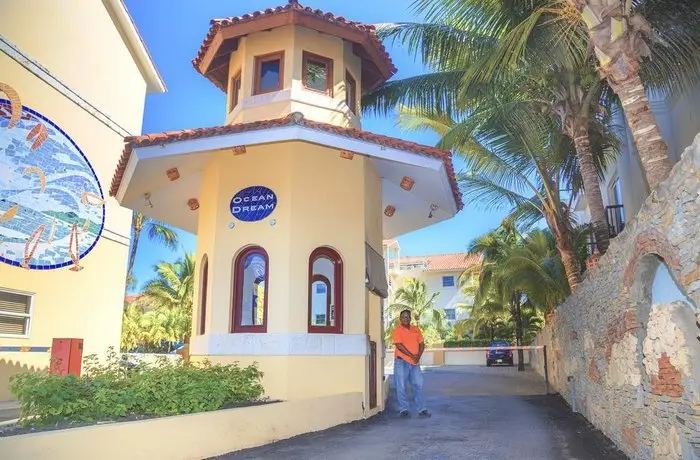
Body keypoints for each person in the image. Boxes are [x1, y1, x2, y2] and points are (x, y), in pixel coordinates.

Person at [392, 309, 431, 418]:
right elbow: (399, 345)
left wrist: (417, 356)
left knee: (419, 384)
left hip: (415, 363)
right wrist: (412, 356)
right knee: (401, 386)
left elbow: (421, 344)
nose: (405, 318)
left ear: (410, 318)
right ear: (400, 319)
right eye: (403, 317)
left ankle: (422, 409)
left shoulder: (416, 329)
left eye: (407, 317)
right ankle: (403, 409)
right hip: (401, 361)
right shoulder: (397, 330)